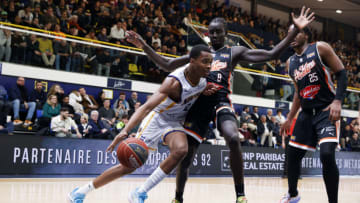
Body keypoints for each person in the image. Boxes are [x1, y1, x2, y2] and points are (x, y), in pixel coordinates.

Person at [125, 6, 314, 203]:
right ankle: (178, 198)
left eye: (218, 32)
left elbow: (272, 54)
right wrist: (143, 45)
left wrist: (294, 30)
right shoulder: (199, 55)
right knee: (186, 156)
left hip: (221, 102)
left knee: (233, 138)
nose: (214, 35)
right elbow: (166, 64)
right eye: (211, 32)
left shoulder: (234, 52)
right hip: (198, 106)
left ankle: (240, 196)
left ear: (225, 33)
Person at [68, 44, 212, 203]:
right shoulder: (173, 83)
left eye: (210, 62)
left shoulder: (207, 77)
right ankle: (81, 192)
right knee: (128, 166)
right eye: (205, 61)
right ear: (192, 62)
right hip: (158, 118)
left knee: (181, 150)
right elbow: (146, 107)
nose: (209, 65)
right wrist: (125, 131)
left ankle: (140, 192)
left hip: (175, 121)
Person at [279, 22, 347, 203]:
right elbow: (298, 94)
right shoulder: (290, 63)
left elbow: (342, 73)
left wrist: (338, 101)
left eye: (295, 33)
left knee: (326, 154)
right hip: (306, 113)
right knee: (292, 154)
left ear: (306, 35)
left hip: (326, 111)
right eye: (289, 33)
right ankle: (292, 195)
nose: (291, 36)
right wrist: (289, 118)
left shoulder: (320, 48)